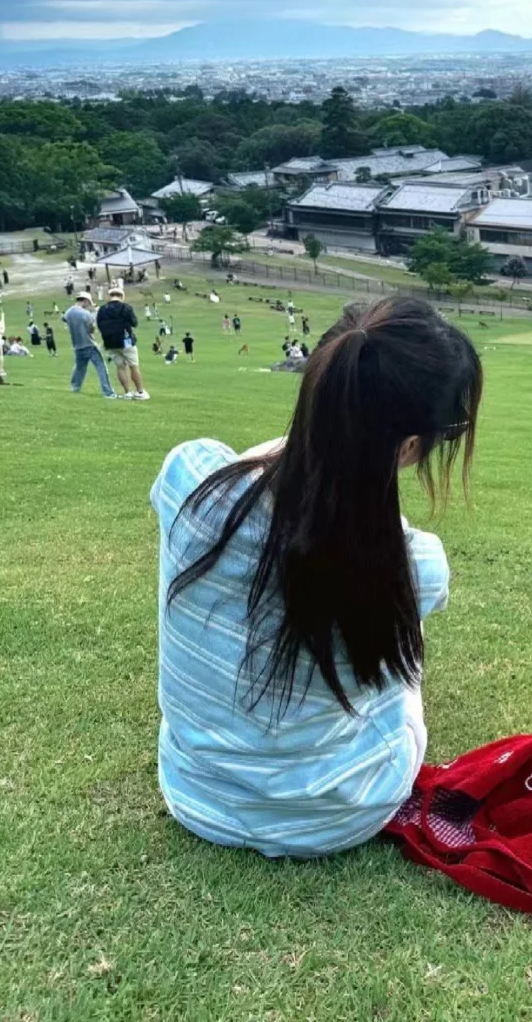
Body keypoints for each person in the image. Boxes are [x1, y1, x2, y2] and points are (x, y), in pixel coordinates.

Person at [150, 297, 481, 858]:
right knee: (398, 642)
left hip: (195, 795)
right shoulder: (412, 565)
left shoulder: (189, 478)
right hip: (340, 815)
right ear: (407, 447)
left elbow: (274, 484)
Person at [97, 282, 150, 401]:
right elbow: (134, 323)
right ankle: (140, 391)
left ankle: (127, 392)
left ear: (110, 296)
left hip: (110, 343)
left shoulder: (102, 309)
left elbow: (99, 325)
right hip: (126, 342)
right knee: (133, 366)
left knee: (120, 367)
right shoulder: (126, 307)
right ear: (122, 296)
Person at [64, 292, 117, 398]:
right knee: (101, 367)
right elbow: (92, 329)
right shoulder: (85, 313)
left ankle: (75, 387)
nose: (88, 305)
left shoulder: (68, 312)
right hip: (89, 344)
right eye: (88, 303)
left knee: (79, 368)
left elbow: (65, 321)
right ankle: (108, 392)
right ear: (85, 301)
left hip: (77, 345)